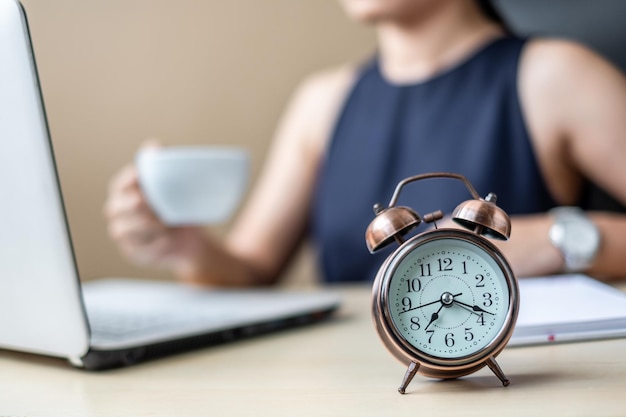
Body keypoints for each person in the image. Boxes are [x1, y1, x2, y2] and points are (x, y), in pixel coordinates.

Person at [104, 0, 626, 286]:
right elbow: (251, 270)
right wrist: (185, 247)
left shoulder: (557, 75)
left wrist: (562, 239)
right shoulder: (321, 101)